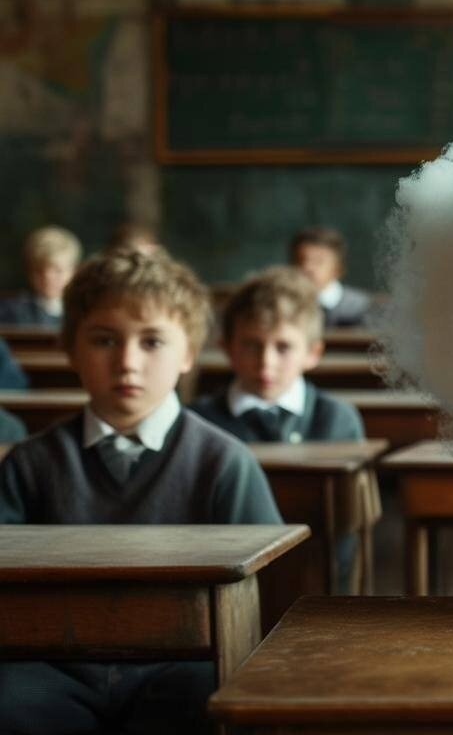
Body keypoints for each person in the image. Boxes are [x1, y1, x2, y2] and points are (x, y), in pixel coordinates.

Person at [0, 248, 281, 735]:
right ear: (70, 349)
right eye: (104, 340)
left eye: (152, 342)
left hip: (190, 664)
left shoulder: (224, 463)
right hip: (48, 665)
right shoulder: (31, 462)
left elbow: (268, 594)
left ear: (189, 354)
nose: (127, 362)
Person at [191, 266, 364, 444]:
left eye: (283, 348)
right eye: (251, 346)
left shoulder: (337, 420)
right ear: (227, 349)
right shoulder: (198, 422)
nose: (266, 362)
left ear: (313, 353)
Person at [289, 226, 371, 327]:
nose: (307, 267)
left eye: (318, 261)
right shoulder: (282, 304)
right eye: (300, 260)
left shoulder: (360, 308)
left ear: (338, 269)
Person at [0, 225, 82, 326]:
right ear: (29, 271)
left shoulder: (82, 312)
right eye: (39, 270)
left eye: (57, 270)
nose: (48, 278)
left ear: (74, 270)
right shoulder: (10, 313)